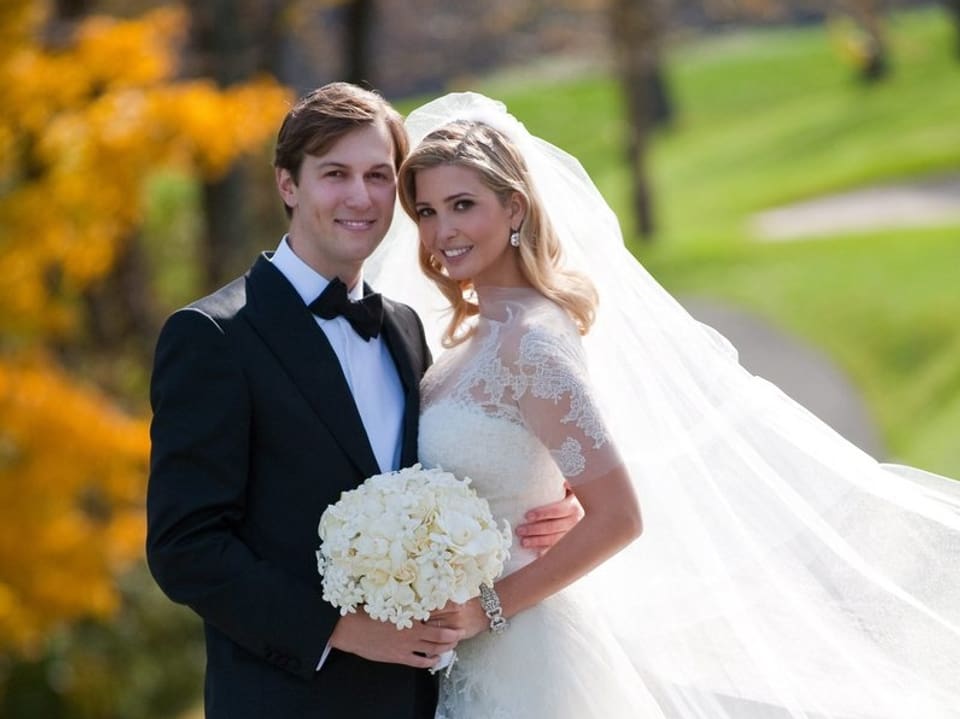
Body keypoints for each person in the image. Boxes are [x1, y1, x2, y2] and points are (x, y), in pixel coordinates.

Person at [364, 92, 960, 718]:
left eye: (463, 206)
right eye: (427, 211)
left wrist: (485, 608)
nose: (441, 232)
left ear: (515, 206)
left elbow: (618, 516)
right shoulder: (472, 338)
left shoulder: (530, 344)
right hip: (465, 651)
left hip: (521, 655)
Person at [145, 82, 581, 719]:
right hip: (287, 699)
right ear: (288, 185)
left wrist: (546, 510)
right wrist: (338, 630)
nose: (361, 197)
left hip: (427, 697)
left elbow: (450, 476)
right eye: (335, 174)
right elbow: (184, 547)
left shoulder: (404, 328)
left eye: (379, 175)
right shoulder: (214, 337)